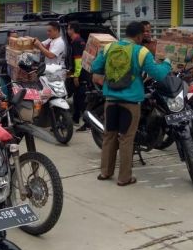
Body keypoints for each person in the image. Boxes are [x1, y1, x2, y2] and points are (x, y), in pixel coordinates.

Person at [91, 21, 171, 186]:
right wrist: (167, 63)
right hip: (131, 102)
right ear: (139, 35)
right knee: (126, 139)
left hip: (111, 100)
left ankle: (105, 172)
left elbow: (95, 67)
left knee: (109, 136)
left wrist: (109, 76)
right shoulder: (141, 51)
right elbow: (158, 74)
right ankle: (124, 178)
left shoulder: (109, 48)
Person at [66, 22, 89, 131]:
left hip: (80, 75)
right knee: (76, 97)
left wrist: (76, 75)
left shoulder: (77, 42)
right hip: (78, 73)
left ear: (72, 30)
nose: (67, 31)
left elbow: (79, 60)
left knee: (81, 99)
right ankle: (75, 119)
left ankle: (87, 123)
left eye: (68, 28)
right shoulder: (78, 41)